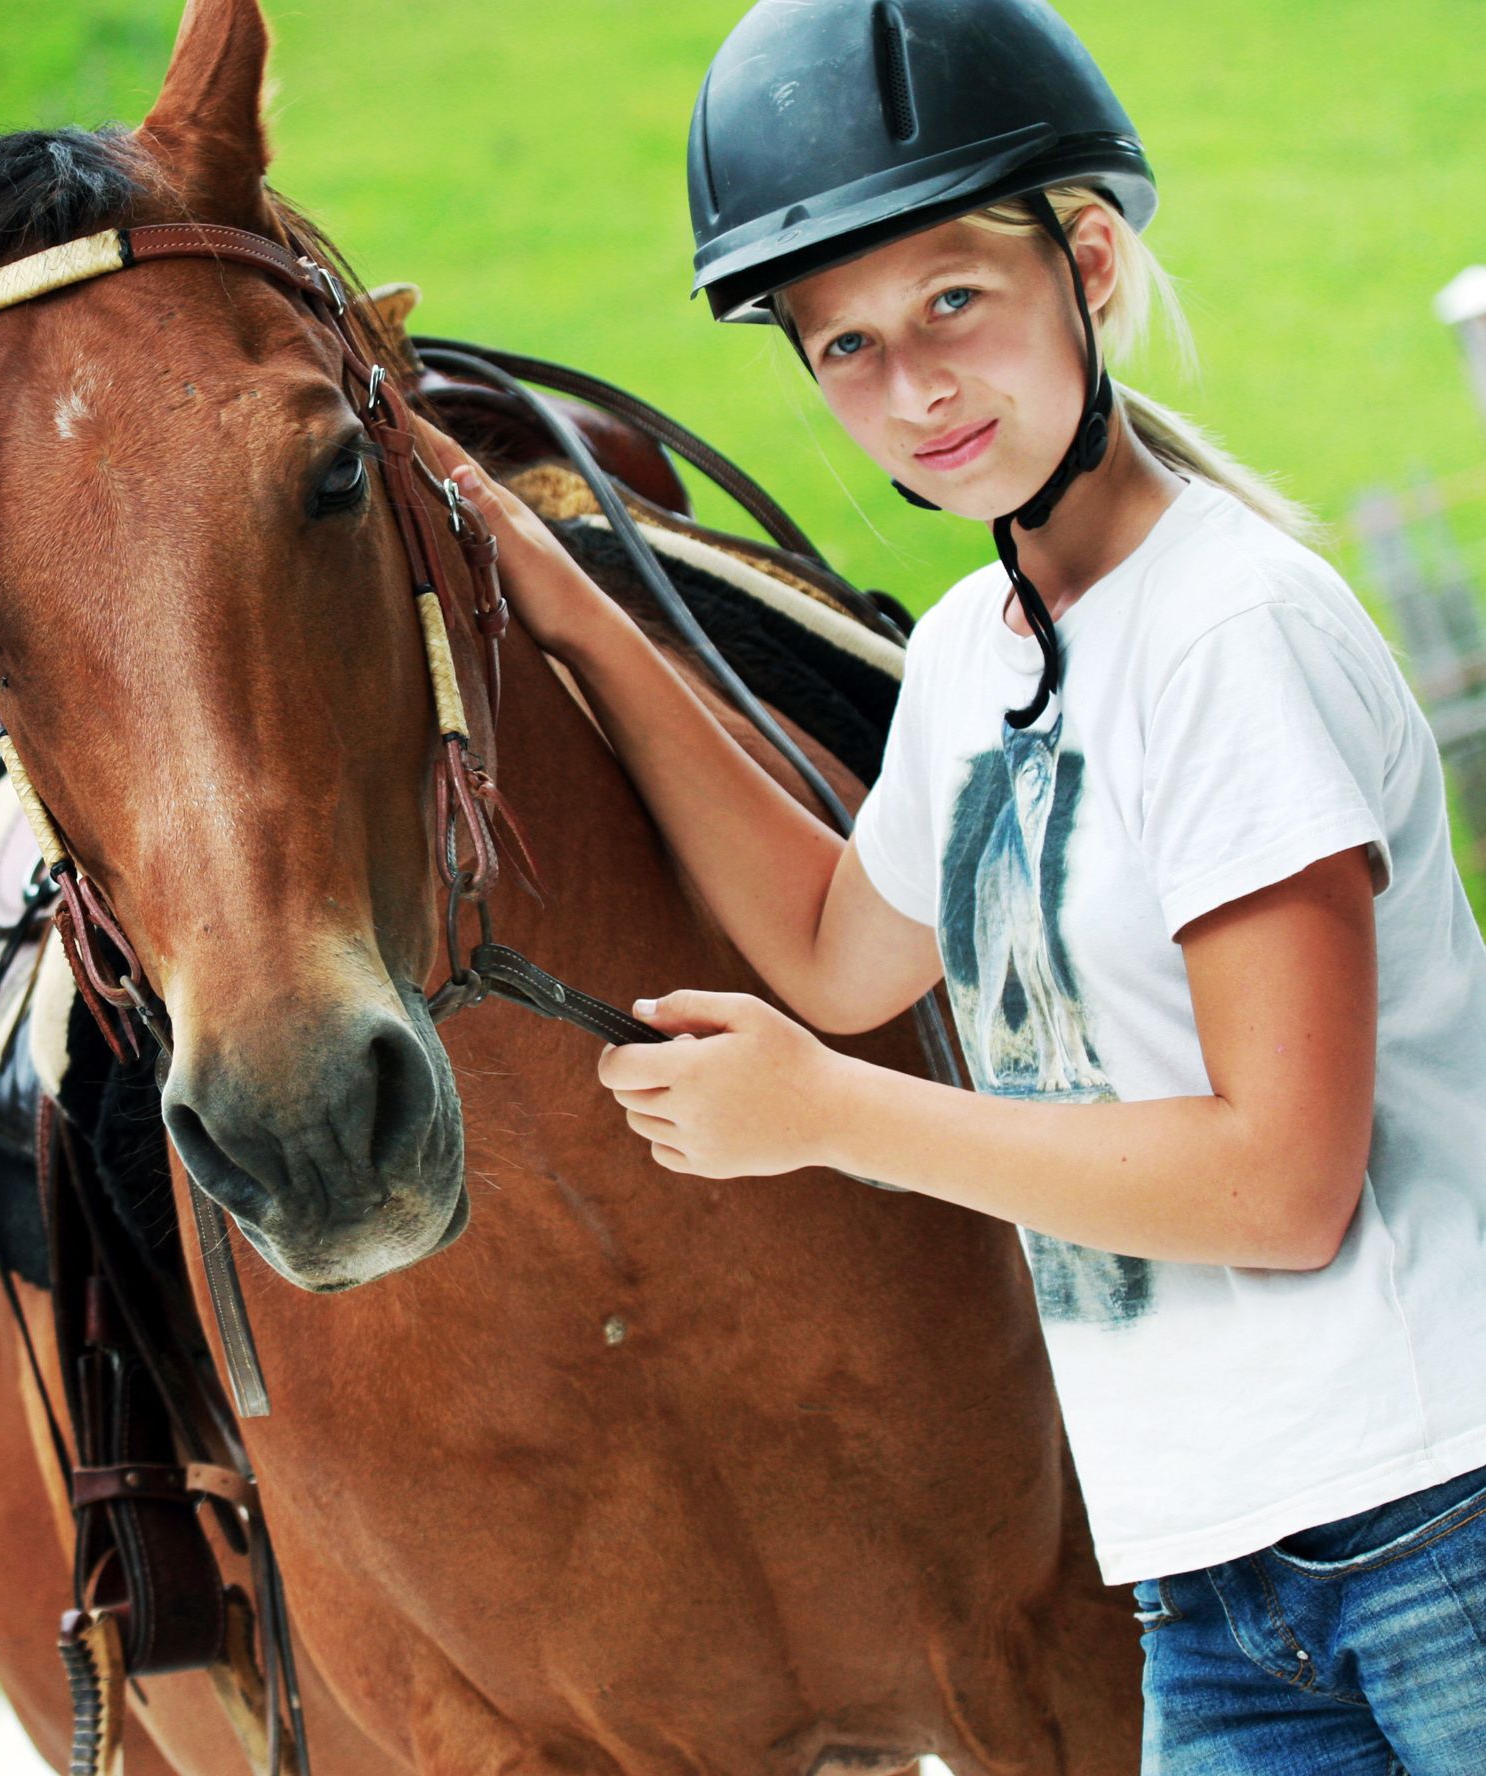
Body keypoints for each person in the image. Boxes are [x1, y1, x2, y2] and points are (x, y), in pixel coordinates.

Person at [417, 0, 1486, 1766]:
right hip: (1206, 1575)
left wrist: (826, 1116)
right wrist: (573, 613)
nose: (908, 392)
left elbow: (1285, 1179)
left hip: (1433, 1517)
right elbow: (842, 947)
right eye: (842, 348)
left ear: (1091, 263)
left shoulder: (1229, 635)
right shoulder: (979, 653)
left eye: (951, 308)